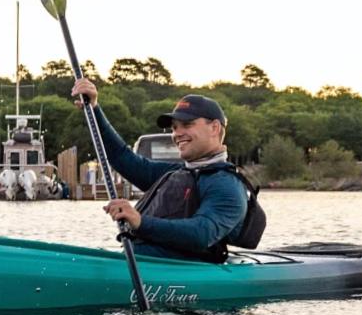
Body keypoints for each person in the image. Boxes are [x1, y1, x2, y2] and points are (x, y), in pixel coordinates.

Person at [71, 78, 251, 263]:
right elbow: (122, 157)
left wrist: (140, 221)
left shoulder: (227, 185)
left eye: (187, 125)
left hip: (180, 273)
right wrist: (94, 109)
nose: (177, 134)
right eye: (174, 128)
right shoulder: (174, 174)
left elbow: (202, 233)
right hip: (139, 263)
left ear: (214, 128)